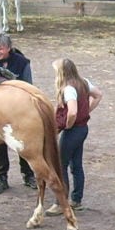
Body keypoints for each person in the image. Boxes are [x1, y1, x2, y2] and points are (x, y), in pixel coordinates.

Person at [49, 57, 102, 212]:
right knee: (76, 165)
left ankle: (61, 202)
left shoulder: (68, 89)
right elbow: (98, 95)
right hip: (83, 128)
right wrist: (87, 111)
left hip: (73, 130)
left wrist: (68, 124)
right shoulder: (83, 82)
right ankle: (76, 199)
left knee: (60, 165)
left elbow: (72, 112)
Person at [0, 33, 36, 193]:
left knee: (23, 145)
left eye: (1, 48)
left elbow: (28, 86)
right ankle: (0, 178)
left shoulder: (22, 63)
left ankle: (28, 175)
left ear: (9, 48)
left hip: (18, 113)